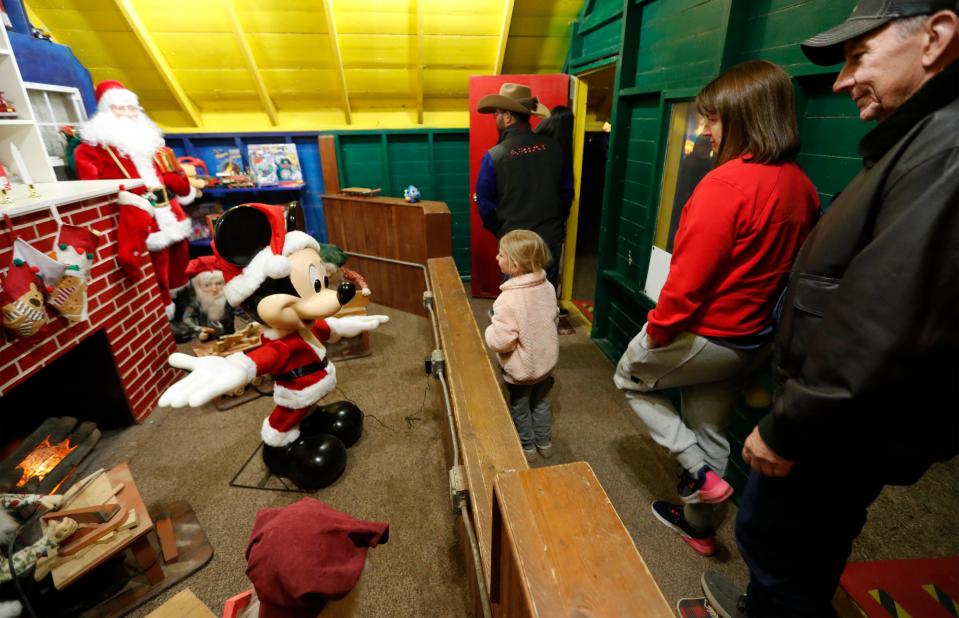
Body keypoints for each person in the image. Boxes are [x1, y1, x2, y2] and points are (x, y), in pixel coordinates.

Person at [701, 2, 959, 616]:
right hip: (831, 412)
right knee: (793, 549)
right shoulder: (918, 139)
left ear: (937, 38)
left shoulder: (946, 147)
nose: (842, 81)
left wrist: (790, 426)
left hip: (830, 424)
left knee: (781, 542)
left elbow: (883, 323)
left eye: (856, 57)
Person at [612, 60, 819, 557]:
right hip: (750, 342)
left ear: (746, 117)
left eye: (715, 119)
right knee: (709, 427)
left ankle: (697, 473)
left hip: (705, 334)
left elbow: (686, 284)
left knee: (627, 379)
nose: (704, 129)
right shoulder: (801, 186)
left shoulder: (726, 185)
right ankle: (701, 527)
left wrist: (657, 332)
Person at [73, 80, 195, 320]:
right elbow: (92, 191)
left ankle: (184, 311)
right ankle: (165, 317)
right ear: (107, 112)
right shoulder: (92, 150)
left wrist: (178, 178)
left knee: (180, 262)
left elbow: (178, 182)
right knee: (156, 269)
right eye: (120, 108)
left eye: (132, 108)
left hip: (170, 213)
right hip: (141, 218)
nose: (128, 114)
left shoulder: (153, 144)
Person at [474, 84, 573, 288]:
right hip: (549, 237)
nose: (495, 119)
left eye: (497, 115)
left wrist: (500, 229)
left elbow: (484, 203)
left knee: (516, 297)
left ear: (508, 117)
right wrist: (555, 223)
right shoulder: (555, 147)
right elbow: (566, 194)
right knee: (545, 294)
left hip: (515, 242)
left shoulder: (495, 156)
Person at [484, 230, 560, 462]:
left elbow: (502, 341)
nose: (497, 257)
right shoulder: (547, 287)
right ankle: (544, 444)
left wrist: (490, 330)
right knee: (541, 403)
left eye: (501, 255)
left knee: (520, 407)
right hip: (545, 366)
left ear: (514, 266)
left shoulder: (508, 300)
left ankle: (527, 448)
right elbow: (552, 319)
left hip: (521, 371)